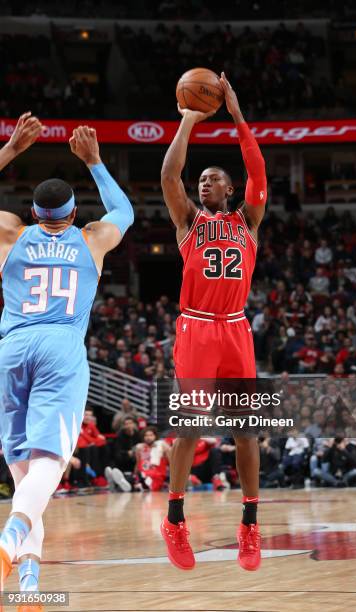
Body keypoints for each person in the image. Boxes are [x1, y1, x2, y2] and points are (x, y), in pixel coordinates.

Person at [0, 115, 134, 606]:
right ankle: (8, 543)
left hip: (12, 348)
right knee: (49, 466)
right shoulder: (92, 238)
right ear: (75, 213)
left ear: (34, 214)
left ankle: (29, 588)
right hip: (60, 347)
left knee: (24, 476)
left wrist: (12, 148)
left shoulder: (10, 234)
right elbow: (125, 211)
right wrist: (96, 163)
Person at [160, 73, 267, 571]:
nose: (205, 183)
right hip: (197, 326)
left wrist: (238, 117)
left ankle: (249, 525)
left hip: (236, 328)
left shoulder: (247, 220)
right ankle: (175, 519)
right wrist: (187, 121)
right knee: (190, 428)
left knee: (248, 431)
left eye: (214, 178)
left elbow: (259, 172)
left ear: (230, 189)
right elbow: (169, 177)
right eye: (201, 179)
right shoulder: (188, 222)